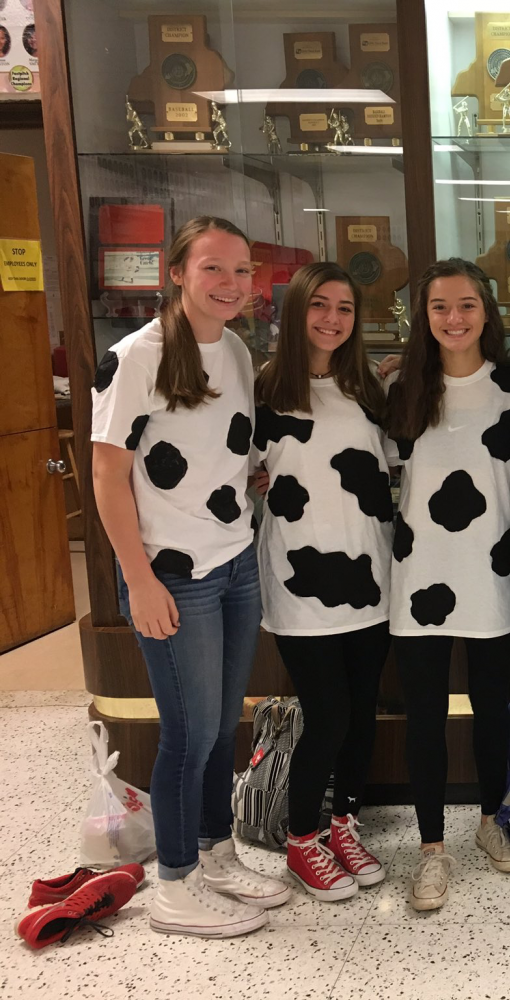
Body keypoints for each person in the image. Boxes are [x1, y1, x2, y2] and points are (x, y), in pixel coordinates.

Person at [90, 216, 290, 938]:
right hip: (174, 575)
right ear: (176, 273)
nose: (231, 284)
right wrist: (138, 580)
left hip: (234, 558)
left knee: (219, 724)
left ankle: (213, 849)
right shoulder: (133, 358)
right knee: (187, 731)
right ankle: (174, 884)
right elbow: (107, 474)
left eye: (243, 271)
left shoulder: (235, 349)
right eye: (213, 268)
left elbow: (221, 448)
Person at [384, 259, 510, 910]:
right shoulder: (401, 389)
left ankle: (488, 824)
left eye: (467, 305)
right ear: (424, 315)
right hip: (419, 576)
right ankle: (430, 850)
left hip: (493, 575)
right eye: (440, 306)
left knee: (490, 714)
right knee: (423, 718)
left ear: (487, 311)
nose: (454, 318)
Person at [252, 261, 392, 903]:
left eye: (345, 308)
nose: (332, 319)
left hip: (371, 575)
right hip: (299, 581)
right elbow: (233, 475)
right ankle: (301, 839)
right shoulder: (261, 393)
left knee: (362, 714)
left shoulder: (366, 388)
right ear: (296, 311)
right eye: (320, 306)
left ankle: (344, 825)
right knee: (328, 715)